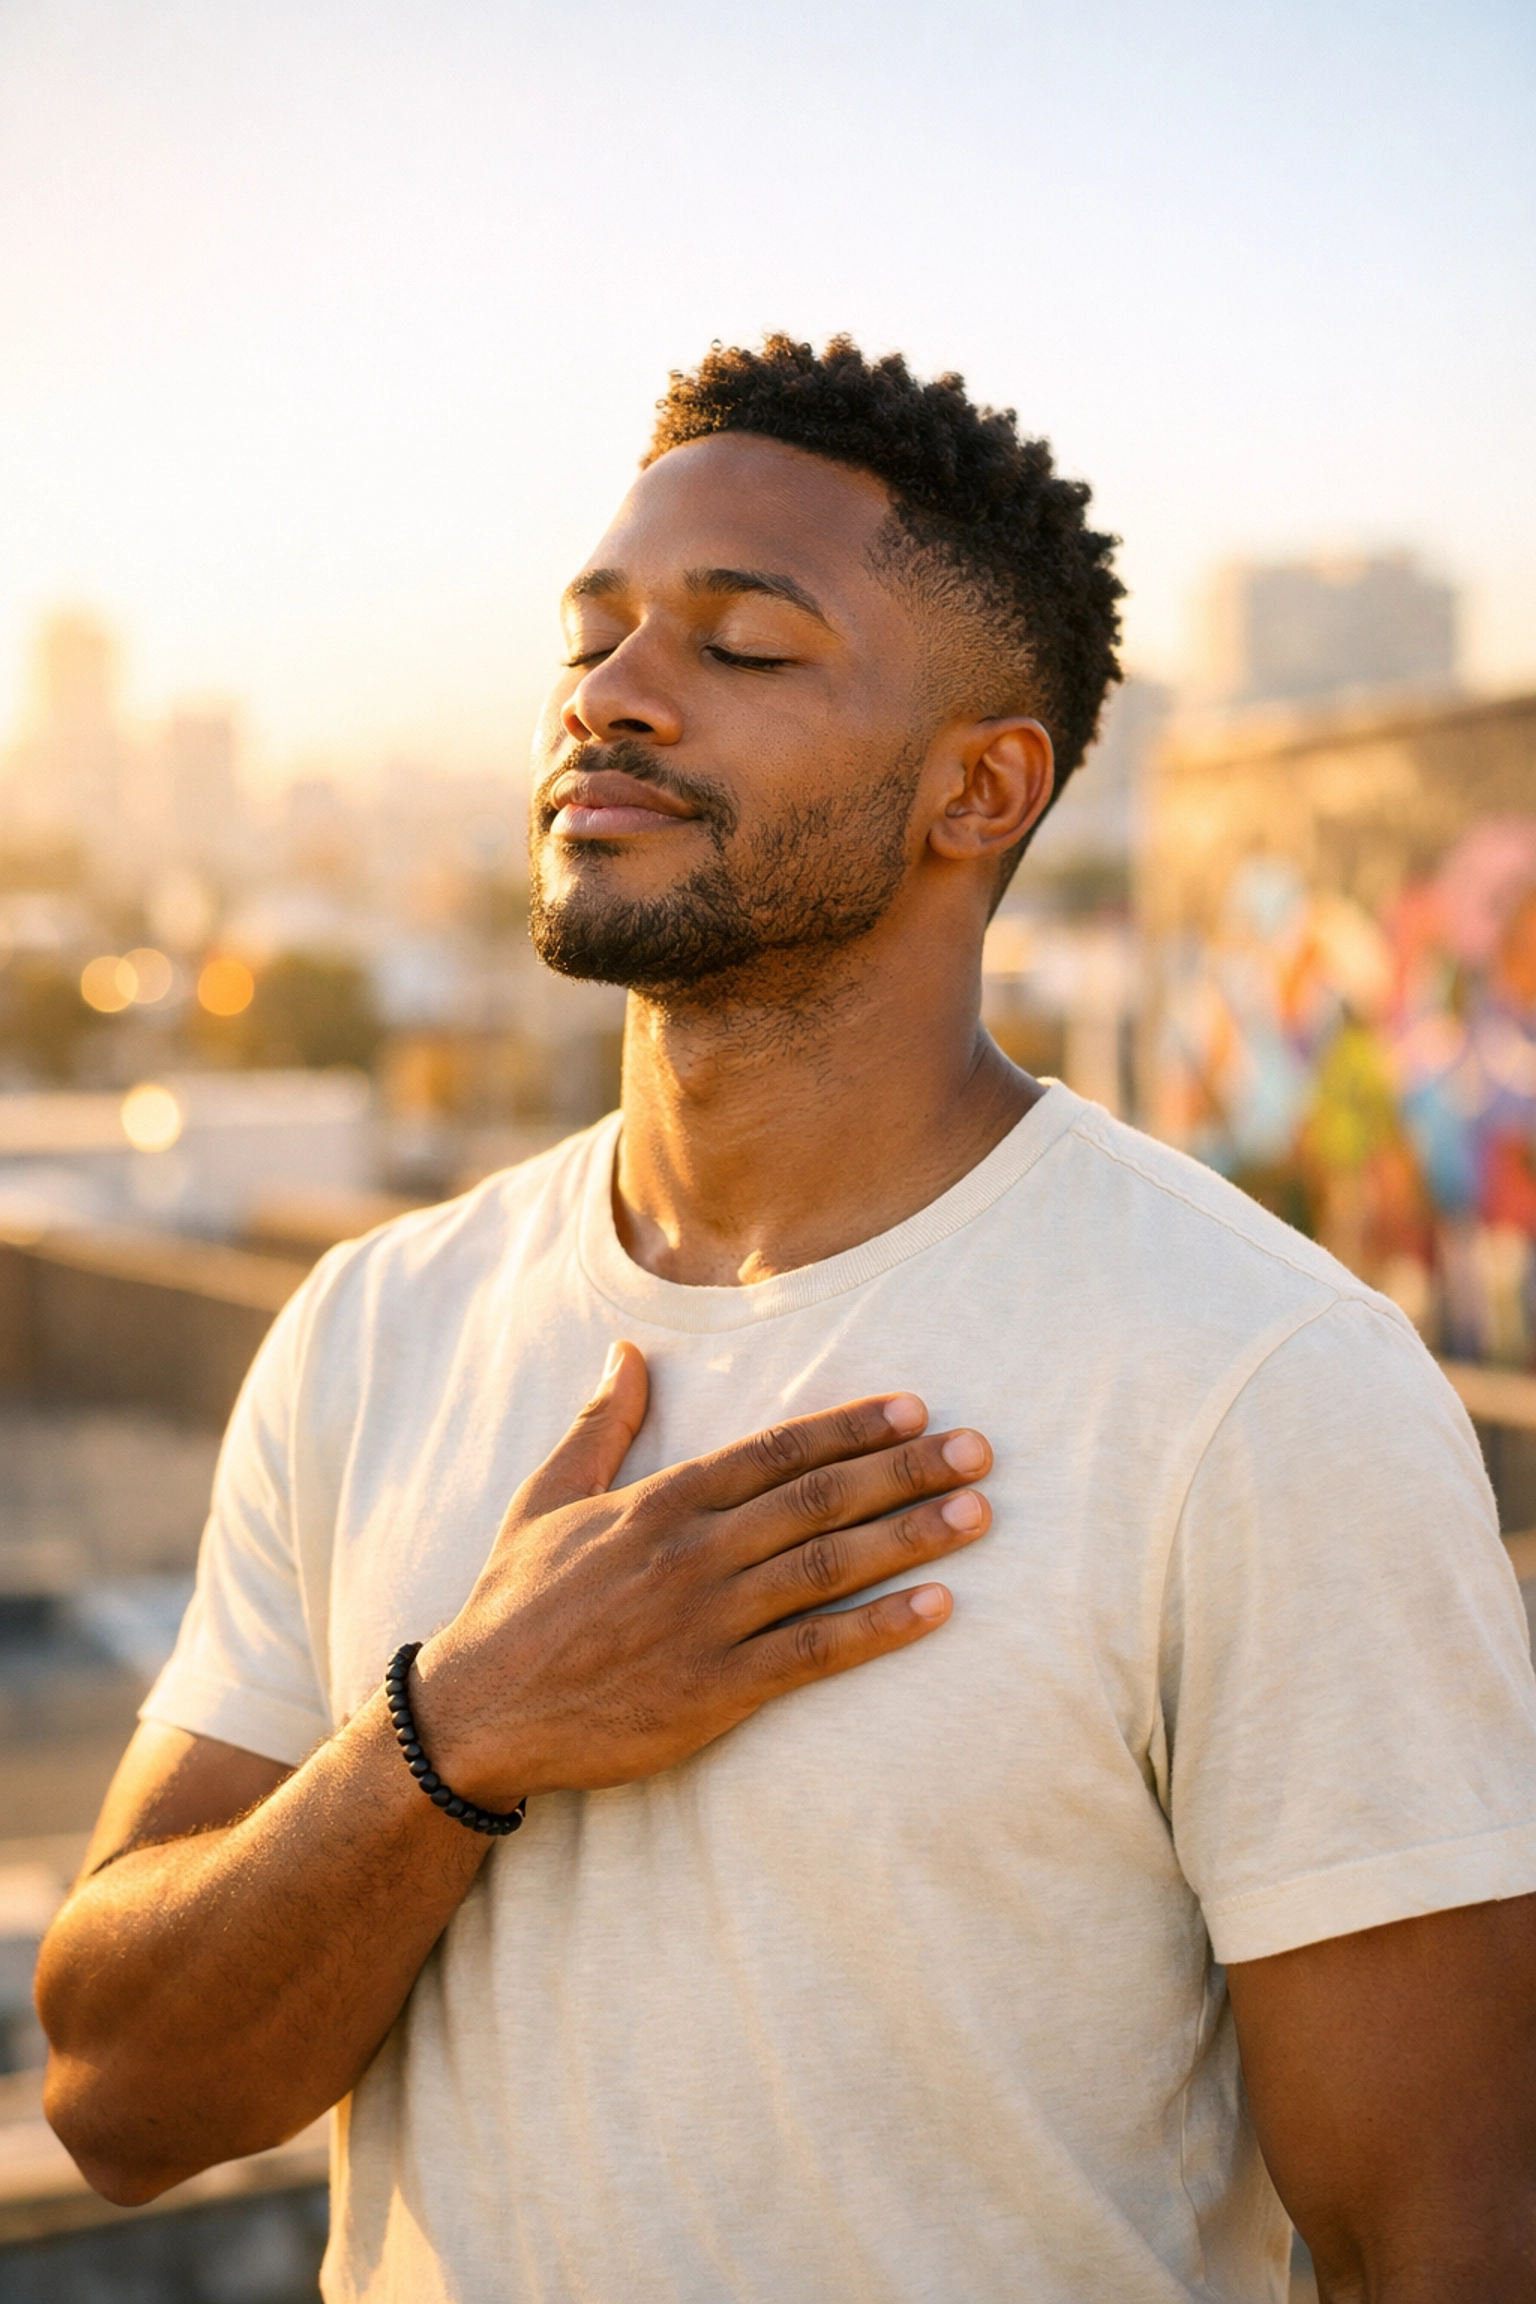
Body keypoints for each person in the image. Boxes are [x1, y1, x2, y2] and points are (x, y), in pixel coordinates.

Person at [37, 336, 1536, 2304]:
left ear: (980, 791)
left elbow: (1445, 2246)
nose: (612, 695)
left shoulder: (1258, 1387)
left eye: (741, 646)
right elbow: (121, 2096)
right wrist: (463, 1725)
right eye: (595, 631)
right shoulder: (373, 1323)